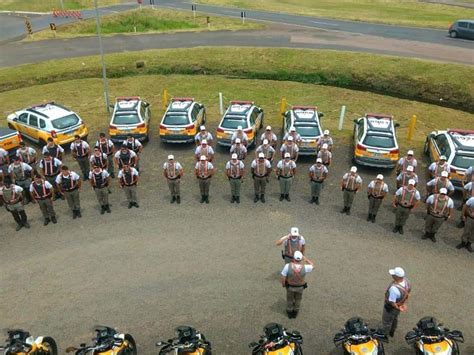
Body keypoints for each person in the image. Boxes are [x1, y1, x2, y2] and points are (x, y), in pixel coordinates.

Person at [280, 251, 314, 319]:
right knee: (298, 299)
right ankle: (295, 312)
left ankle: (289, 312)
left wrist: (284, 284)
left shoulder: (287, 266)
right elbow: (313, 265)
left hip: (290, 286)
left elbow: (283, 277)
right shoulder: (305, 267)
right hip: (300, 287)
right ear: (301, 259)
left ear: (293, 258)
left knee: (289, 299)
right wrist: (306, 259)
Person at [382, 267, 411, 337]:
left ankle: (385, 334)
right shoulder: (407, 282)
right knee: (395, 318)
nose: (392, 275)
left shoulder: (394, 289)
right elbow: (408, 293)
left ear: (397, 276)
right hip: (401, 303)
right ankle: (392, 331)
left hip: (391, 308)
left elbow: (392, 302)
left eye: (393, 274)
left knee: (387, 321)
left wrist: (398, 308)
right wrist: (404, 304)